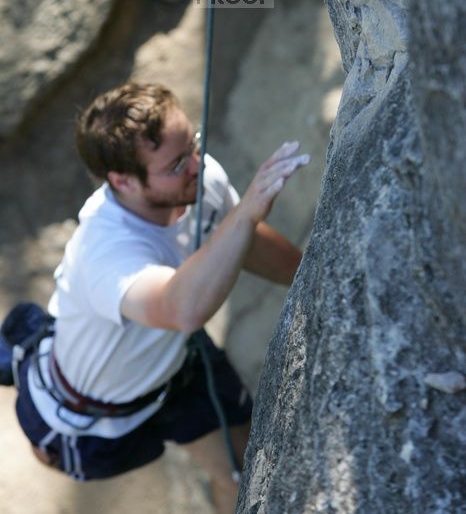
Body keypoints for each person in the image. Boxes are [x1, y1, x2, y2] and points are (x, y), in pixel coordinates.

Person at [14, 82, 310, 514]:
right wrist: (246, 211)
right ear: (123, 181)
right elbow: (180, 309)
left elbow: (245, 242)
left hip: (173, 363)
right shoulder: (105, 251)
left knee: (242, 467)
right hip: (91, 417)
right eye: (175, 164)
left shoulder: (199, 179)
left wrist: (320, 273)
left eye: (192, 142)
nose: (195, 164)